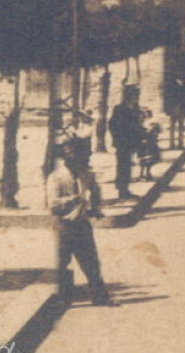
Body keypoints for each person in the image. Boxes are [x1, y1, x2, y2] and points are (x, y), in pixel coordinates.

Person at [46, 137, 112, 306]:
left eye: (76, 153)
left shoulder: (86, 174)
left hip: (82, 224)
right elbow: (52, 203)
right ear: (64, 157)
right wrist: (73, 199)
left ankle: (99, 296)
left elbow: (95, 192)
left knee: (91, 262)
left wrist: (96, 209)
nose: (73, 158)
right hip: (63, 224)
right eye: (69, 154)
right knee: (62, 262)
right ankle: (64, 298)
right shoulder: (56, 177)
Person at [108, 84, 145, 201]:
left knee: (128, 166)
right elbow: (114, 125)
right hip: (122, 142)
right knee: (123, 166)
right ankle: (122, 191)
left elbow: (136, 124)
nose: (137, 98)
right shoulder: (119, 109)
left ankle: (125, 189)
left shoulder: (134, 108)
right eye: (135, 95)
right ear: (129, 96)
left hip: (131, 142)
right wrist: (119, 137)